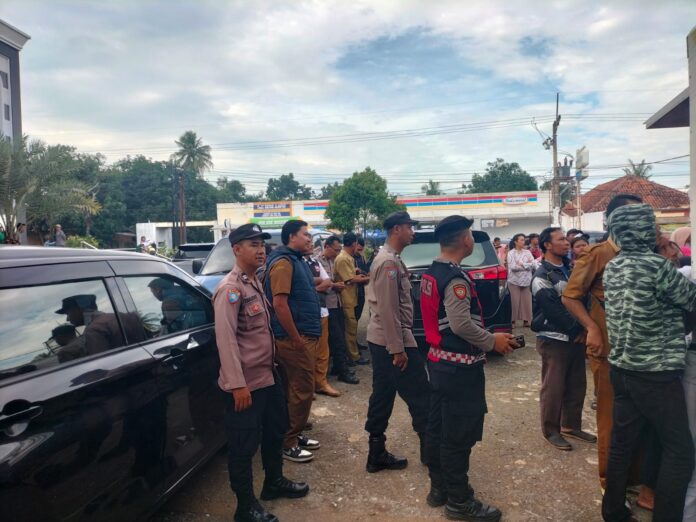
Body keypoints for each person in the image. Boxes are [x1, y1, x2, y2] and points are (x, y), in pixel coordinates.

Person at [601, 203, 696, 522]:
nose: (656, 230)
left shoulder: (613, 266)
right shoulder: (657, 266)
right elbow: (691, 300)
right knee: (680, 451)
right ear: (642, 230)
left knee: (622, 444)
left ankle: (613, 511)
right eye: (651, 225)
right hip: (656, 374)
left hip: (622, 369)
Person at [421, 215, 518, 522]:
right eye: (471, 236)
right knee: (458, 436)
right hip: (458, 370)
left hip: (439, 363)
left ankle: (439, 489)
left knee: (437, 428)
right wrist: (492, 342)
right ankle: (460, 502)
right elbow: (461, 324)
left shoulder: (431, 273)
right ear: (465, 240)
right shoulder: (455, 279)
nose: (472, 240)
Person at [213, 223, 309, 522]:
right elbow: (226, 340)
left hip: (267, 377)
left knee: (275, 431)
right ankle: (245, 507)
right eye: (253, 244)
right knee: (243, 447)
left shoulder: (253, 281)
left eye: (262, 244)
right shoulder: (230, 289)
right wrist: (237, 385)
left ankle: (273, 482)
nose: (260, 250)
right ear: (236, 249)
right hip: (246, 385)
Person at [562, 194, 652, 495]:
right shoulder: (598, 254)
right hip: (609, 350)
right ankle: (611, 484)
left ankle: (634, 478)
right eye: (632, 215)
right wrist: (592, 328)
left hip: (642, 350)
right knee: (611, 419)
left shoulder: (646, 253)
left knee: (641, 418)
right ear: (614, 221)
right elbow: (570, 296)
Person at [364, 211, 430, 473]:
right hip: (392, 341)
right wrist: (398, 349)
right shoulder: (388, 263)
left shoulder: (391, 259)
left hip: (384, 340)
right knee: (421, 394)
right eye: (408, 227)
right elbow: (388, 309)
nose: (412, 232)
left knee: (383, 393)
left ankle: (376, 452)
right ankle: (431, 451)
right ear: (396, 230)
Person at [531, 227, 595, 451]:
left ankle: (570, 425)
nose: (566, 243)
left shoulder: (570, 269)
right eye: (560, 240)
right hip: (554, 338)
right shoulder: (542, 275)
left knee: (577, 385)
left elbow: (584, 299)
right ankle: (551, 430)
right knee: (554, 388)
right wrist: (578, 330)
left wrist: (584, 329)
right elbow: (553, 310)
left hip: (576, 337)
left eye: (566, 240)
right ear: (547, 245)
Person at [264, 220, 322, 463]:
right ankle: (288, 442)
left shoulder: (297, 260)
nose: (309, 239)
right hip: (294, 338)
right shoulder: (283, 263)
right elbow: (279, 304)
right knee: (302, 389)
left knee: (295, 389)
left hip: (303, 334)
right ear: (291, 237)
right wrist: (296, 338)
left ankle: (294, 434)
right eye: (305, 234)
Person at [318, 235, 360, 385]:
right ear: (327, 246)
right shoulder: (317, 262)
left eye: (338, 250)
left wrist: (337, 284)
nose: (337, 253)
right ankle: (343, 371)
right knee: (338, 339)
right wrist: (334, 285)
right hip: (326, 305)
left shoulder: (332, 261)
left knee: (338, 336)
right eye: (335, 250)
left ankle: (337, 366)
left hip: (337, 302)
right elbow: (318, 284)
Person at [304, 253, 341, 398]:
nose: (309, 243)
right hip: (306, 314)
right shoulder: (296, 263)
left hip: (322, 310)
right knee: (307, 351)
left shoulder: (315, 262)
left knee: (323, 350)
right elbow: (300, 285)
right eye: (307, 241)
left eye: (310, 241)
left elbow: (328, 282)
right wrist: (317, 282)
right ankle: (307, 386)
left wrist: (312, 288)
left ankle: (321, 383)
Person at [334, 232, 370, 365]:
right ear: (354, 244)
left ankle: (352, 354)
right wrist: (369, 278)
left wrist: (358, 274)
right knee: (350, 329)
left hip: (351, 297)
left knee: (352, 328)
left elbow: (350, 276)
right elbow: (350, 279)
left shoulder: (348, 257)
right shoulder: (343, 258)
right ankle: (353, 357)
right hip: (346, 299)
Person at [506, 233, 534, 327]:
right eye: (521, 240)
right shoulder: (511, 253)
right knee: (514, 301)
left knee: (527, 301)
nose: (523, 241)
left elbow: (533, 264)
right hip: (514, 281)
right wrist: (526, 266)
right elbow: (513, 267)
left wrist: (522, 264)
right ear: (516, 242)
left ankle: (526, 320)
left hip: (527, 280)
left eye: (524, 240)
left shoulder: (527, 252)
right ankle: (512, 321)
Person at [354, 236, 370, 322]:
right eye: (358, 249)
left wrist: (362, 272)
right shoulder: (349, 258)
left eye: (361, 250)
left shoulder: (362, 257)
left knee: (359, 311)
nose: (359, 251)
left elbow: (366, 271)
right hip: (353, 289)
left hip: (361, 289)